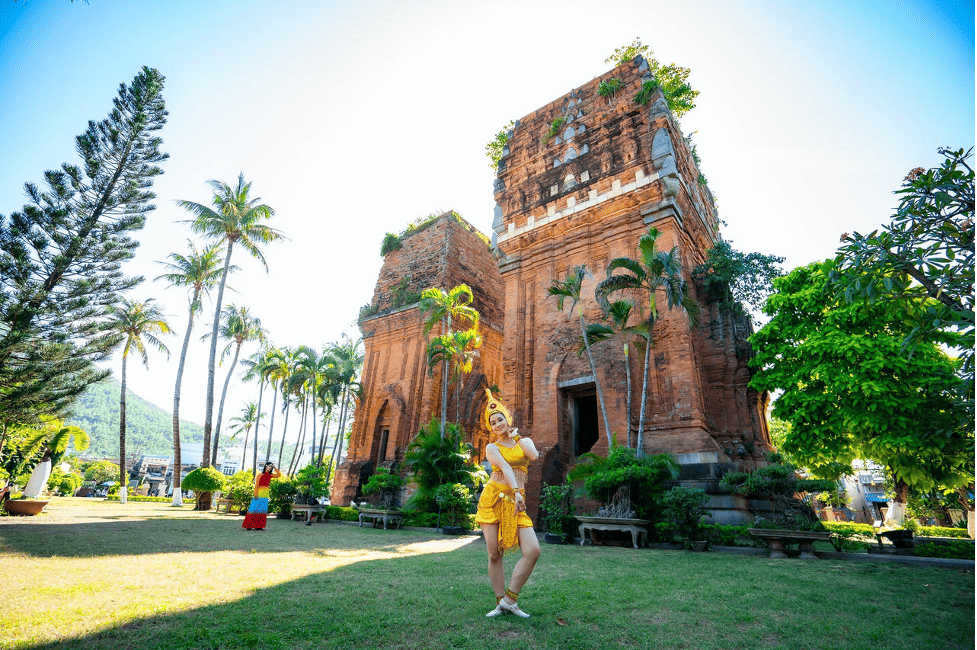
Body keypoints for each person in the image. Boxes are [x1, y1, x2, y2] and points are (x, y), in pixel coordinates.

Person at [475, 389, 541, 619]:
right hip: (493, 500)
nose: (497, 425)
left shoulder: (524, 442)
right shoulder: (491, 448)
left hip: (516, 502)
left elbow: (534, 456)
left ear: (507, 418)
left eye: (500, 419)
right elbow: (504, 467)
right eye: (492, 423)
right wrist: (515, 490)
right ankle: (499, 602)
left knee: (533, 550)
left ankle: (509, 600)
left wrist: (518, 438)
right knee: (494, 554)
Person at [243, 462, 282, 531]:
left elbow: (279, 475)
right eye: (269, 466)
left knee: (262, 510)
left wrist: (275, 468)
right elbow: (256, 485)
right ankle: (249, 526)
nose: (270, 468)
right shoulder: (260, 475)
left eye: (271, 467)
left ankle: (259, 526)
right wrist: (255, 494)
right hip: (259, 493)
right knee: (254, 509)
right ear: (265, 466)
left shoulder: (270, 475)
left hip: (265, 494)